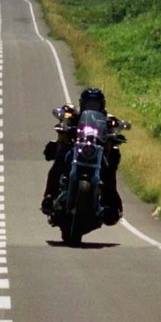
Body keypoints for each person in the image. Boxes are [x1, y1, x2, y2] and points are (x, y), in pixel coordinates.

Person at [40, 87, 123, 225]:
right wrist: (64, 124)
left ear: (102, 105)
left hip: (96, 153)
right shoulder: (74, 114)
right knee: (59, 165)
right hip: (76, 149)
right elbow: (62, 116)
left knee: (109, 174)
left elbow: (117, 127)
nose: (92, 107)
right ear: (83, 103)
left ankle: (112, 207)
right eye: (89, 104)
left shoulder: (108, 119)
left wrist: (116, 133)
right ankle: (49, 197)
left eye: (95, 104)